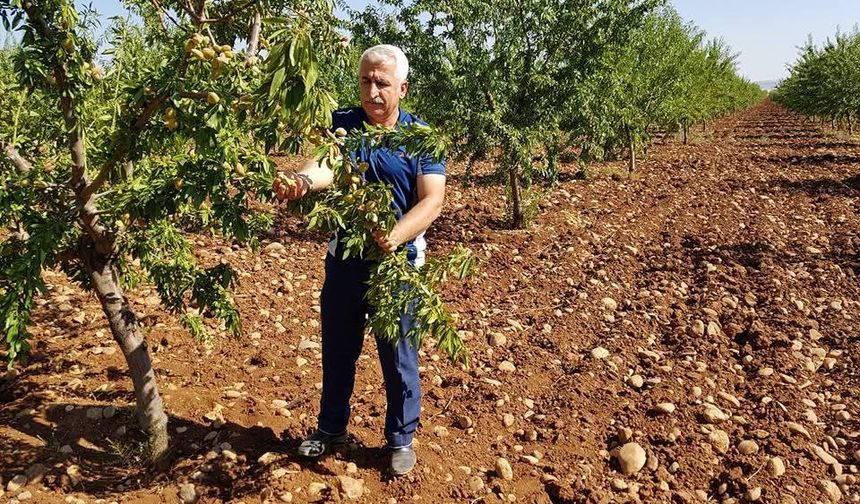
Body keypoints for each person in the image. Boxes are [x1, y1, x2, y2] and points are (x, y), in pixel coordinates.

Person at [272, 44, 446, 476]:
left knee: (399, 352)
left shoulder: (421, 137)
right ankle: (331, 429)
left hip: (398, 264)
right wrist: (301, 181)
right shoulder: (343, 125)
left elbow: (433, 200)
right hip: (346, 260)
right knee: (338, 348)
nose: (372, 91)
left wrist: (397, 234)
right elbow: (324, 164)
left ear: (402, 88)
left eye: (382, 83)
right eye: (366, 80)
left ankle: (401, 438)